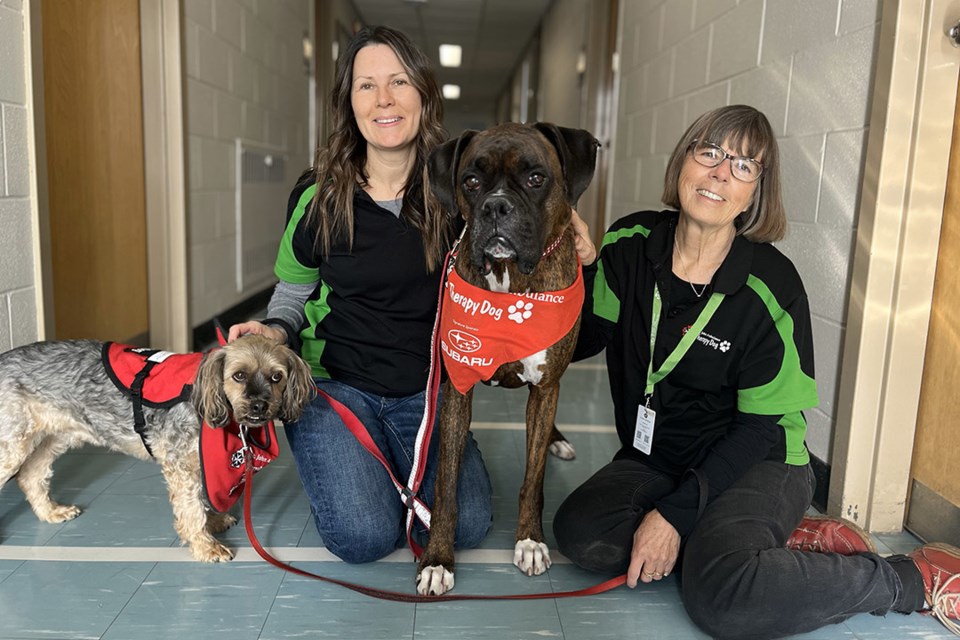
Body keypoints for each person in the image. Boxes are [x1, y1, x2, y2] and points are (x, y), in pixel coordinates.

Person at [557, 105, 960, 639]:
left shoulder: (771, 285)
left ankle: (910, 579)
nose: (722, 173)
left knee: (722, 597)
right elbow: (586, 338)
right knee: (581, 532)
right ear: (684, 160)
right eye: (710, 153)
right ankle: (760, 542)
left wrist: (674, 517)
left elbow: (757, 430)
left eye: (745, 166)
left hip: (757, 462)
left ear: (756, 192)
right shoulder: (627, 244)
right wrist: (566, 272)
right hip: (660, 455)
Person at [229, 25, 492, 564]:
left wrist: (569, 240)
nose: (385, 100)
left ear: (423, 94)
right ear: (349, 103)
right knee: (362, 539)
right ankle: (360, 464)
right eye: (367, 86)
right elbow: (295, 287)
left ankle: (394, 468)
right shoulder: (317, 196)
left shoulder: (458, 196)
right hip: (337, 386)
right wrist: (275, 330)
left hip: (426, 388)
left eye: (399, 82)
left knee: (466, 526)